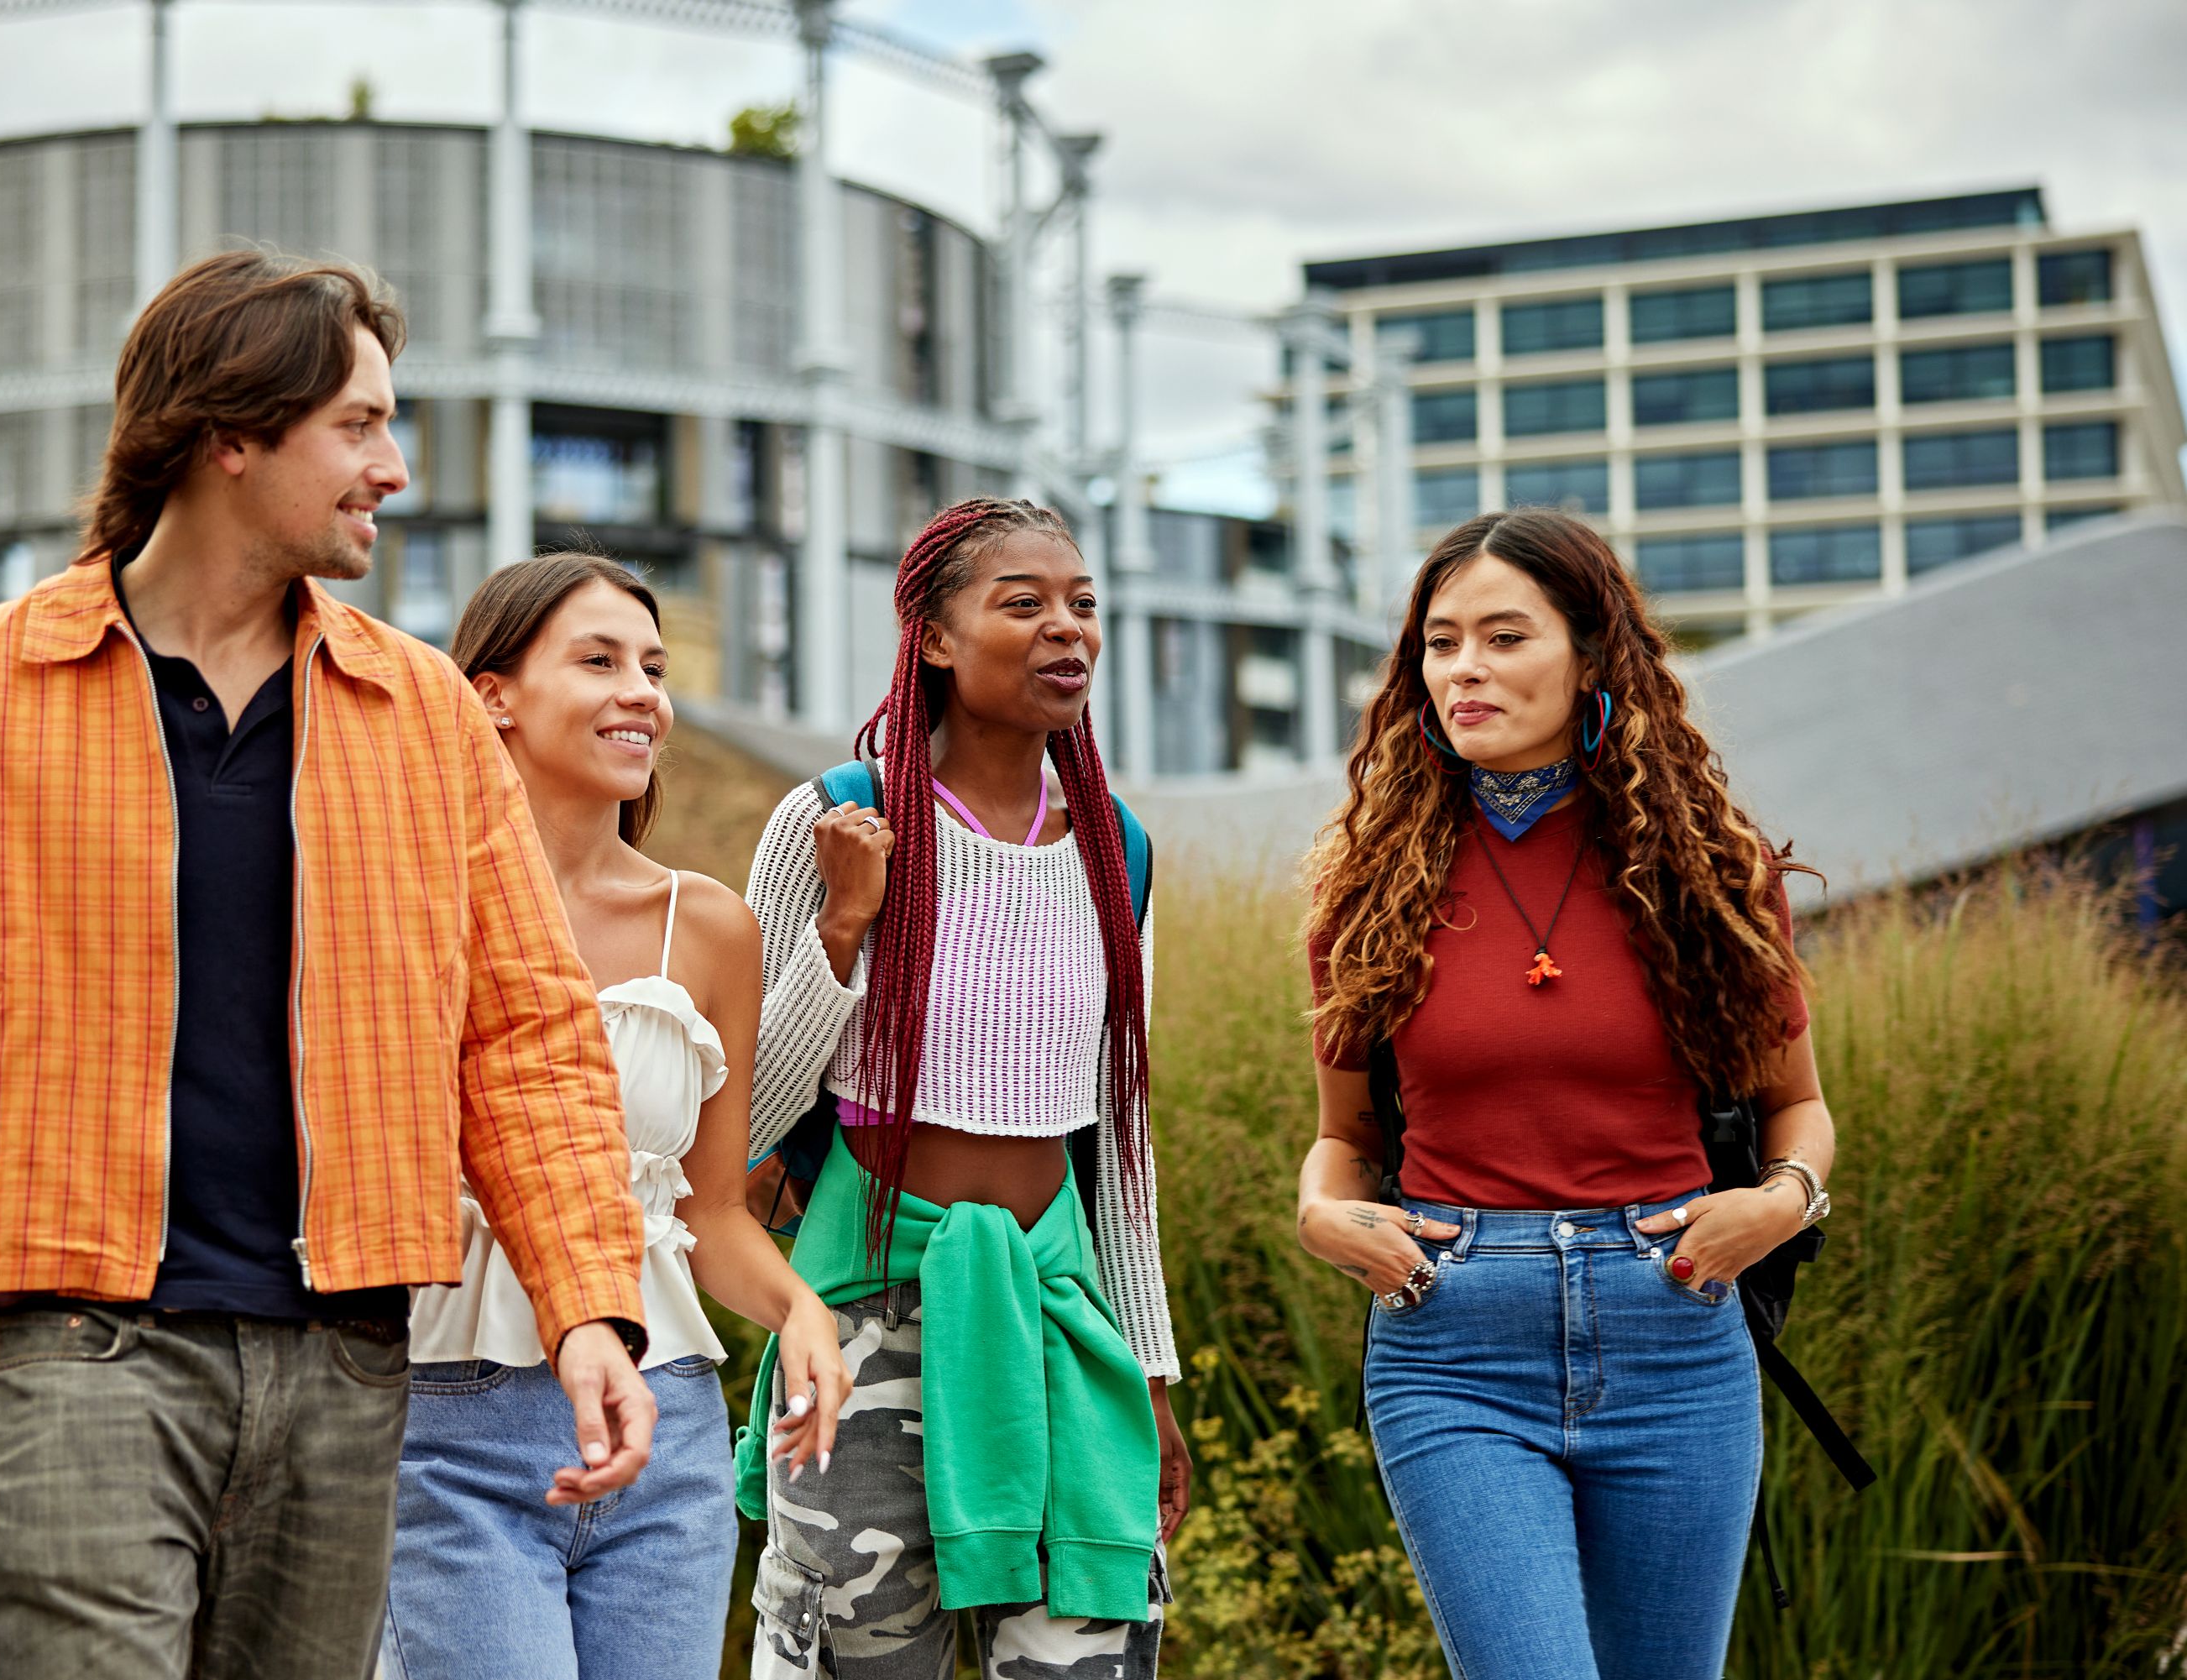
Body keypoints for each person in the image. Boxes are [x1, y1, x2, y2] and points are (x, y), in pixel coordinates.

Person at [0, 251, 656, 1678]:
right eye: (358, 426)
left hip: (349, 1358)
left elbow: (525, 1037)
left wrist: (588, 1309)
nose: (397, 465)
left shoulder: (423, 713)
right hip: (84, 1359)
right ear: (229, 436)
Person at [1295, 508, 1838, 1680]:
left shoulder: (1709, 869)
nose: (1466, 668)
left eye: (1504, 635)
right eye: (1441, 643)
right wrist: (1323, 1215)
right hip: (1453, 1340)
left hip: (1676, 1331)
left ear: (1593, 655)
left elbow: (1800, 1108)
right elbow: (1344, 1138)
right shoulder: (1372, 886)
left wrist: (1780, 1202)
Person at [736, 497, 1189, 1679]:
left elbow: (1120, 1144)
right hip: (864, 1310)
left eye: (1084, 604)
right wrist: (844, 925)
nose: (1068, 630)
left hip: (1058, 1304)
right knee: (853, 1647)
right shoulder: (838, 815)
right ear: (934, 637)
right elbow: (740, 1108)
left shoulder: (1118, 847)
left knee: (1094, 1645)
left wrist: (1148, 1366)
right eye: (1024, 603)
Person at [380, 553, 852, 1680]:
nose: (642, 689)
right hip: (444, 1424)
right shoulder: (399, 903)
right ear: (491, 693)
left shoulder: (712, 928)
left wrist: (800, 1308)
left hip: (668, 1424)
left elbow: (712, 1213)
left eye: (654, 665)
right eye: (598, 660)